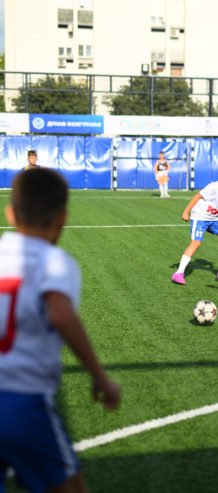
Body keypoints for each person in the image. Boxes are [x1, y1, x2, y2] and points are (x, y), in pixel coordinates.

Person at [0, 168, 122, 492]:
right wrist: (101, 378)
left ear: (10, 213)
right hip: (22, 403)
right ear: (63, 218)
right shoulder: (54, 260)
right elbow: (60, 313)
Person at [171, 163, 218, 284]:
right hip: (200, 216)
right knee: (196, 243)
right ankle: (178, 273)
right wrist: (186, 211)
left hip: (214, 219)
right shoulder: (214, 186)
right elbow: (197, 196)